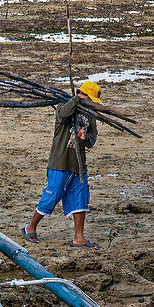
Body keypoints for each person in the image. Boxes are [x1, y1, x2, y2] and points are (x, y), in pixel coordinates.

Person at [21, 80, 101, 248]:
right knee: (52, 195)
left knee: (81, 199)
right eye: (89, 99)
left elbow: (92, 139)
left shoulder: (90, 114)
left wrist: (84, 138)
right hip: (60, 163)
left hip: (78, 166)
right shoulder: (64, 106)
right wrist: (76, 100)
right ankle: (30, 227)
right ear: (82, 95)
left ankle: (79, 238)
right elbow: (63, 115)